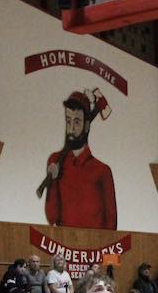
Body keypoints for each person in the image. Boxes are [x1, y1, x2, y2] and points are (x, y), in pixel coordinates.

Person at [44, 91, 117, 230]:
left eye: (77, 122)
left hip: (95, 250)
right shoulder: (55, 161)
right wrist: (52, 180)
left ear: (87, 126)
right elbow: (51, 217)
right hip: (64, 250)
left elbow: (111, 226)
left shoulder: (103, 171)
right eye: (68, 121)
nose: (71, 129)